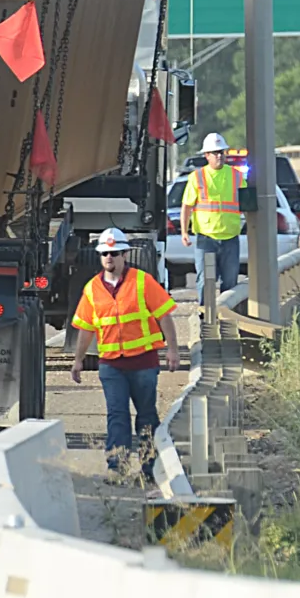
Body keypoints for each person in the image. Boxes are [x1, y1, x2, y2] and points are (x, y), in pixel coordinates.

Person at [69, 227, 175, 477]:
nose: (109, 257)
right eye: (105, 253)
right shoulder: (92, 288)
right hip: (111, 365)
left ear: (125, 254)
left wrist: (172, 350)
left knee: (147, 415)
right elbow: (86, 328)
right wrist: (78, 360)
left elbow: (165, 316)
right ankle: (117, 467)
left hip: (143, 363)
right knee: (117, 415)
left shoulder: (142, 281)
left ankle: (151, 467)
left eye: (115, 253)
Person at [181, 130, 245, 294]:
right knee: (205, 281)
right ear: (207, 155)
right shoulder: (197, 176)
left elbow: (247, 203)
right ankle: (205, 316)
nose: (219, 156)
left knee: (230, 281)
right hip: (206, 238)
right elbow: (187, 206)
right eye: (215, 153)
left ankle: (227, 317)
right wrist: (184, 232)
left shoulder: (236, 176)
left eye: (221, 152)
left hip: (230, 238)